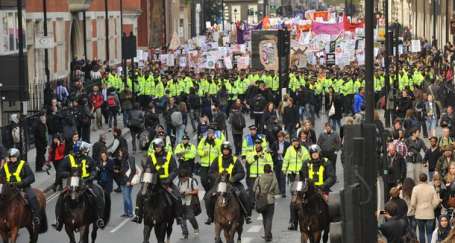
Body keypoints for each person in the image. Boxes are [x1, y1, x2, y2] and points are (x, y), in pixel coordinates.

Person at [53, 141, 106, 230]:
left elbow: (94, 169)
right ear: (80, 150)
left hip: (86, 183)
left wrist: (92, 176)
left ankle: (99, 218)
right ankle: (58, 220)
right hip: (72, 183)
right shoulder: (68, 159)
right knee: (61, 198)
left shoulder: (89, 159)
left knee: (97, 195)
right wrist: (69, 173)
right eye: (84, 149)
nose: (87, 150)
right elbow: (59, 171)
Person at [132, 138, 183, 224]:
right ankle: (138, 215)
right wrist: (146, 179)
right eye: (155, 147)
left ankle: (178, 217)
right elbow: (148, 169)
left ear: (162, 147)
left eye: (158, 147)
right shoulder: (151, 157)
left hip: (166, 182)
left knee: (177, 197)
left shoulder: (169, 156)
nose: (157, 149)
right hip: (153, 182)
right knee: (140, 195)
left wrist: (169, 179)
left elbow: (174, 170)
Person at [204, 142, 252, 225]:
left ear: (229, 150)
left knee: (244, 195)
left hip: (232, 183)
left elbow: (241, 173)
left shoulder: (235, 160)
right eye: (224, 150)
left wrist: (233, 178)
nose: (225, 151)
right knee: (208, 197)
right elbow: (210, 172)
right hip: (220, 184)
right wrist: (217, 177)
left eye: (227, 150)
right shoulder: (217, 159)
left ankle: (247, 215)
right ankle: (210, 216)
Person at [0, 148, 41, 225]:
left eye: (13, 157)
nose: (12, 159)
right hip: (9, 189)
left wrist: (21, 183)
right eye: (10, 157)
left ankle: (36, 216)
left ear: (17, 157)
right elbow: (1, 176)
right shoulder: (5, 167)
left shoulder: (23, 164)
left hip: (22, 187)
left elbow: (31, 177)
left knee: (31, 196)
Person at [283, 137, 310, 230]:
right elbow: (286, 160)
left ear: (299, 142)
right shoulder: (289, 149)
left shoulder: (304, 150)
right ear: (292, 142)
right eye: (294, 141)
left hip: (300, 176)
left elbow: (307, 161)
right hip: (292, 175)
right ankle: (293, 221)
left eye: (297, 141)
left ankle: (294, 221)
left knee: (296, 198)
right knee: (294, 198)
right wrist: (284, 169)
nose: (295, 143)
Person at [253, 164, 280, 242]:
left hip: (261, 200)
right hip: (270, 201)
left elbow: (254, 188)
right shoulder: (273, 178)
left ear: (263, 170)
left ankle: (267, 234)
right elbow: (277, 191)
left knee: (264, 218)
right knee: (269, 218)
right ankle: (268, 235)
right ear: (270, 170)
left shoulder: (259, 178)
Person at [411, 173, 440, 243]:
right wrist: (432, 207)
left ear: (419, 179)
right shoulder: (431, 188)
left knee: (421, 232)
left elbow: (412, 203)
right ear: (427, 179)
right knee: (429, 233)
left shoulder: (415, 188)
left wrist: (416, 208)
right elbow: (437, 201)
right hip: (429, 213)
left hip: (419, 213)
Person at [177, 169, 200, 239]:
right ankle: (185, 234)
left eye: (183, 178)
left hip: (190, 201)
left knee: (191, 217)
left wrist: (188, 193)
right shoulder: (179, 182)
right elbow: (177, 190)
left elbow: (196, 191)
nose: (182, 180)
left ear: (187, 177)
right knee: (182, 219)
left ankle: (196, 228)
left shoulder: (192, 181)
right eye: (180, 178)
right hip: (182, 202)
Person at [115, 147, 136, 218]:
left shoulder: (129, 159)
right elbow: (124, 170)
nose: (119, 154)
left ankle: (130, 212)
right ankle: (126, 212)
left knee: (127, 197)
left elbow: (133, 170)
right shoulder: (122, 159)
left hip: (127, 181)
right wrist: (118, 171)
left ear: (123, 152)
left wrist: (129, 181)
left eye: (120, 152)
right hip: (122, 181)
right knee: (125, 197)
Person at [270, 131, 290, 197]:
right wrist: (276, 152)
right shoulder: (275, 143)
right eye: (279, 137)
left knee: (283, 177)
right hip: (277, 161)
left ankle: (283, 192)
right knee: (278, 177)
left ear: (284, 137)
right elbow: (271, 152)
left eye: (281, 137)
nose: (280, 139)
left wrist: (282, 153)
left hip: (284, 162)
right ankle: (279, 190)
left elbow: (289, 153)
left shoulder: (287, 144)